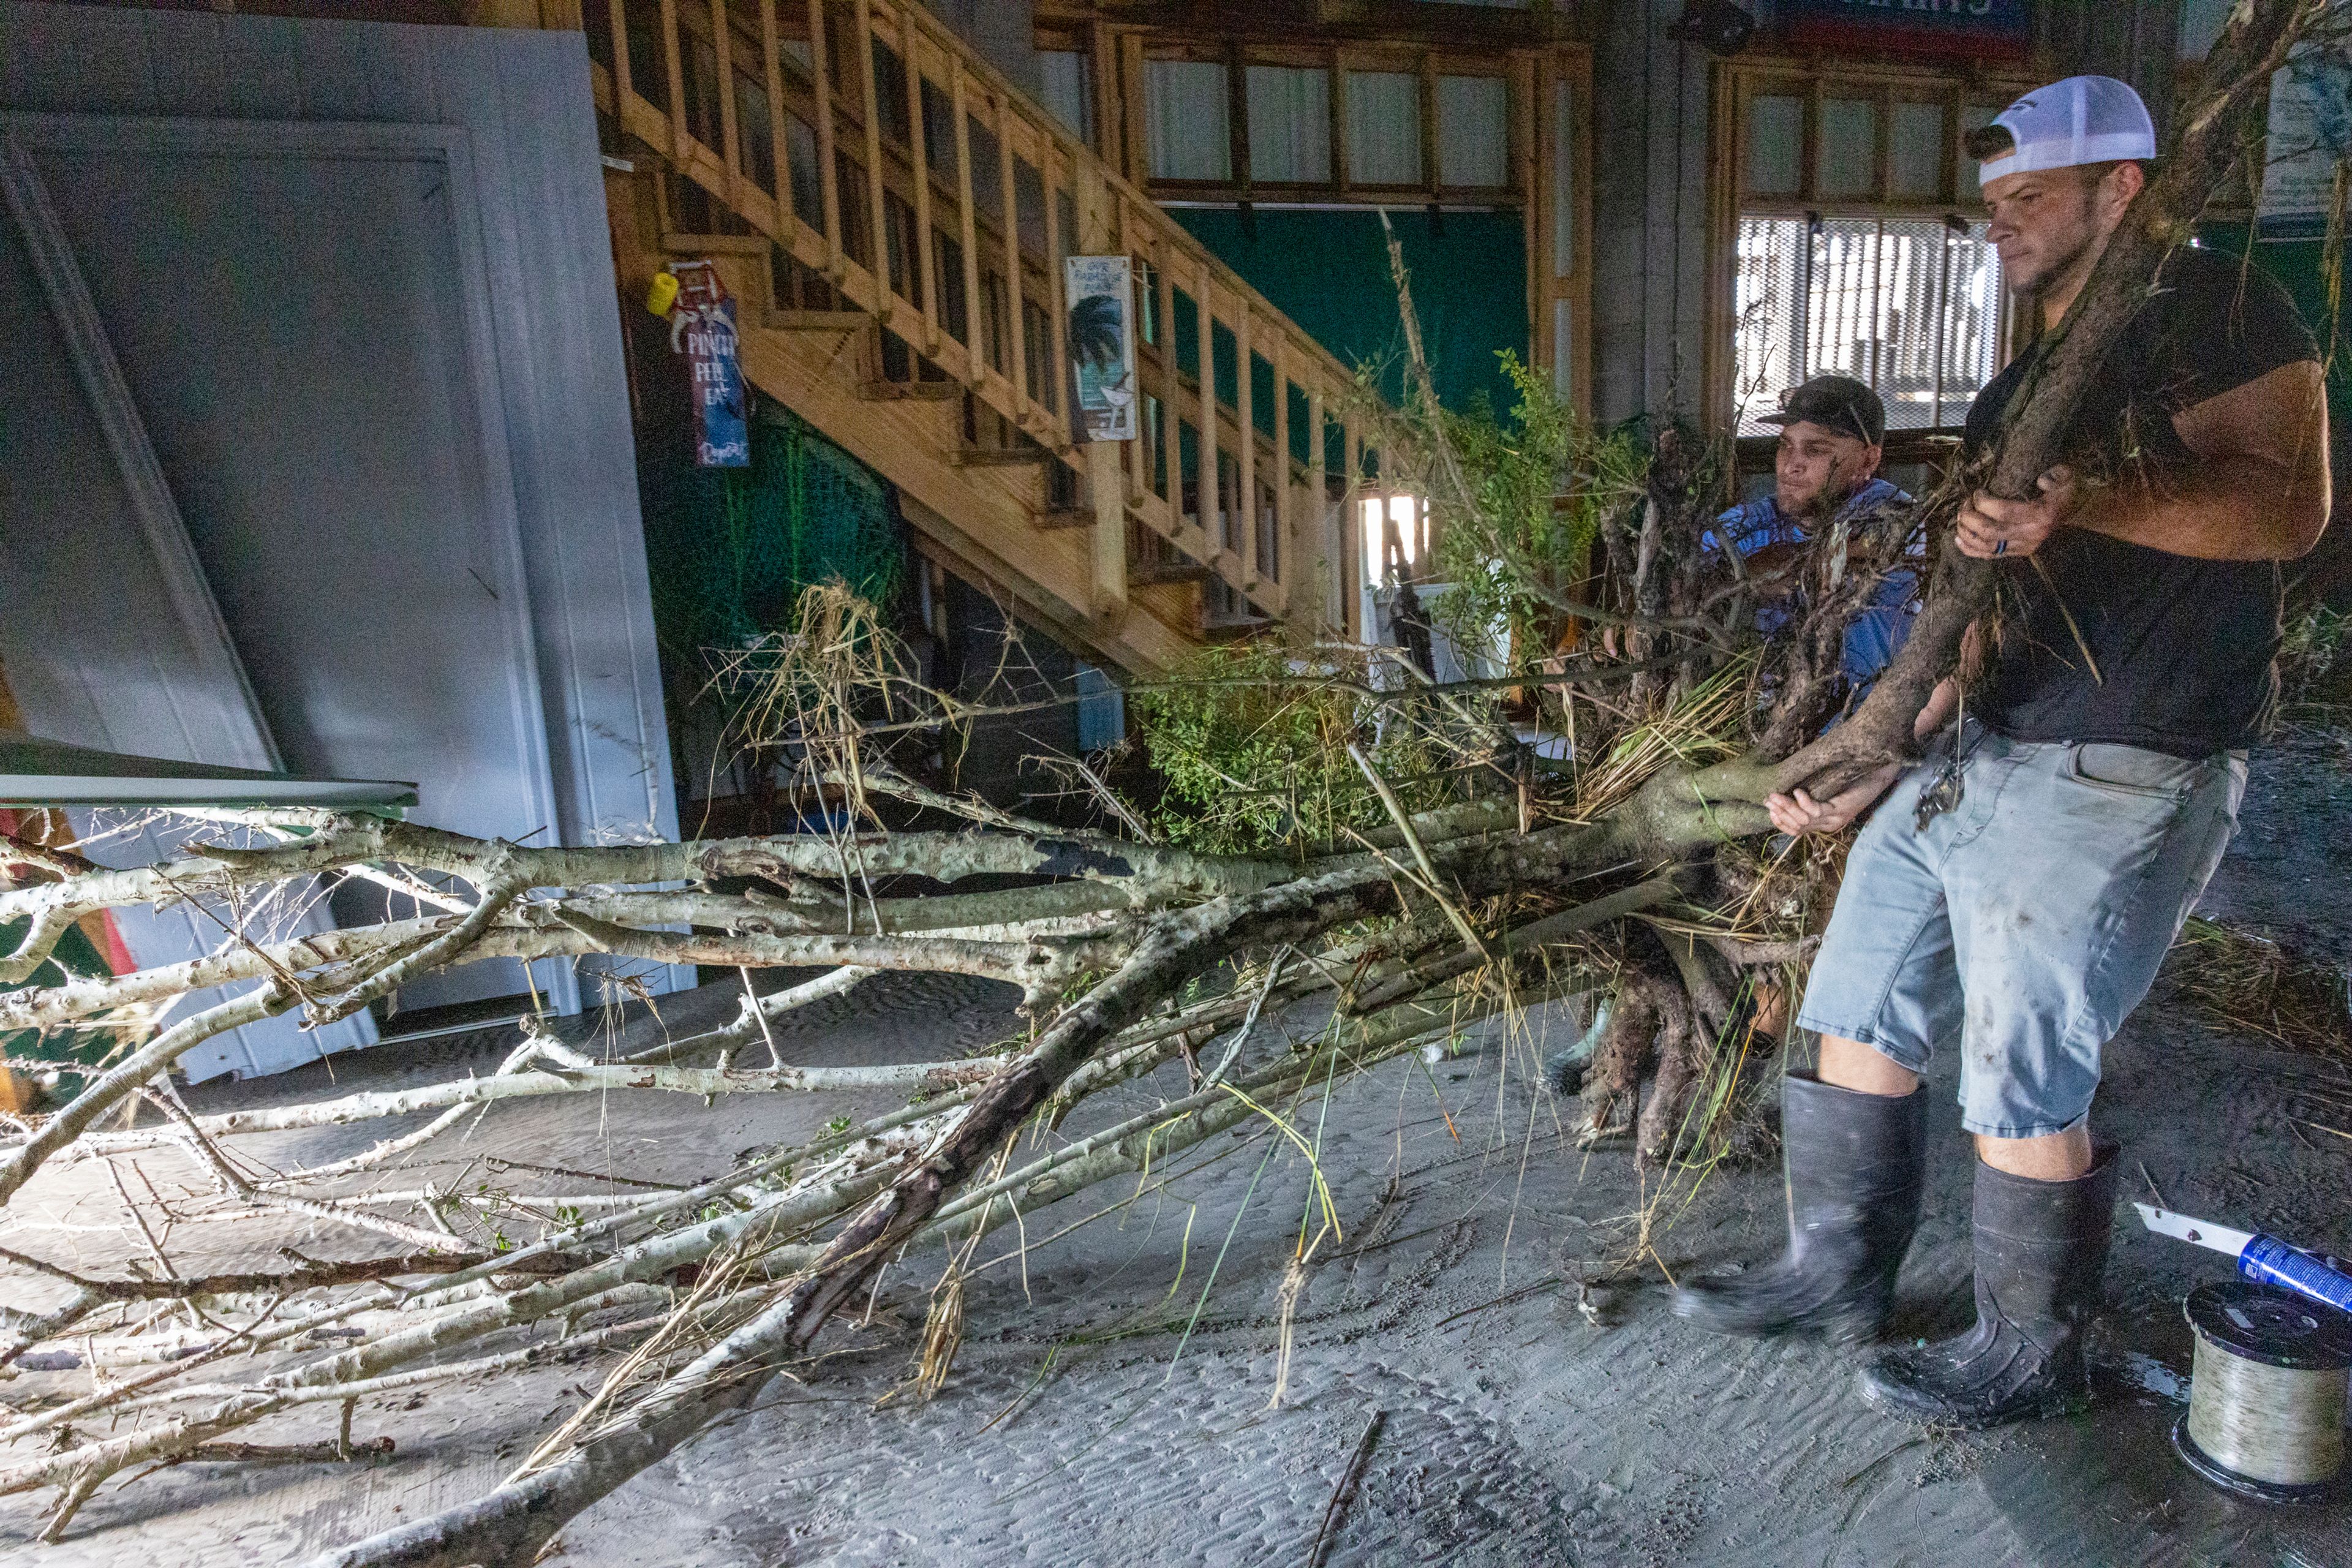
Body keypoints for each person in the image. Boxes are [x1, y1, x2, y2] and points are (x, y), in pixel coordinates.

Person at [1673, 74, 2332, 1429]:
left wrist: (2097, 499)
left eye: (2028, 200)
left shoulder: (2223, 310)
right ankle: (1835, 1270)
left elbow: (2288, 504)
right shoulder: (2024, 381)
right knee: (1853, 995)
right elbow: (1974, 620)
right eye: (1993, 206)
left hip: (2125, 756)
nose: (2000, 226)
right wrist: (1878, 750)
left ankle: (2033, 1346)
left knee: (2022, 1059)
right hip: (1986, 738)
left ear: (2124, 190)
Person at [1714, 374, 1919, 693]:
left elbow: (1853, 554)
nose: (1789, 467)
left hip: (1868, 727)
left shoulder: (1896, 514)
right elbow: (1678, 565)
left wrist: (1744, 576)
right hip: (1771, 725)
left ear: (1868, 459)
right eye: (1785, 445)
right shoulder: (1753, 521)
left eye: (1816, 450)